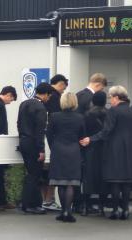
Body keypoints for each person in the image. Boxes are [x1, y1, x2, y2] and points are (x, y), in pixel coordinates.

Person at [81, 86, 132, 220]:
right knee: (126, 181)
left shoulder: (113, 111)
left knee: (115, 180)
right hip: (131, 148)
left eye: (111, 98)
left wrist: (91, 138)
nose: (110, 101)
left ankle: (114, 210)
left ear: (117, 97)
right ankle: (125, 210)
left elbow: (107, 131)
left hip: (115, 148)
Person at [47, 92, 86, 223]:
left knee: (60, 182)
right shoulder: (80, 117)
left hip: (58, 149)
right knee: (70, 182)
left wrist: (53, 147)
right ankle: (67, 211)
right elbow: (82, 135)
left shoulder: (54, 116)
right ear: (75, 102)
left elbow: (49, 134)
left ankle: (63, 211)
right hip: (74, 150)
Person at [17, 82, 53, 214]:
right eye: (49, 96)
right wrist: (41, 150)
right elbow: (40, 131)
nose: (48, 99)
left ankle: (27, 202)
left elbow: (19, 124)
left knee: (30, 173)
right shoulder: (41, 108)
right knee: (35, 174)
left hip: (23, 141)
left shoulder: (24, 104)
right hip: (33, 143)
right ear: (45, 94)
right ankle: (30, 204)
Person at [74, 73, 107, 213]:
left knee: (82, 175)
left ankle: (80, 204)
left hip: (81, 142)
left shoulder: (78, 94)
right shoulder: (89, 98)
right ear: (98, 84)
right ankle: (85, 205)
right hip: (91, 144)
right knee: (92, 175)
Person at [43, 74, 68, 211]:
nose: (64, 90)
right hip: (51, 141)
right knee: (52, 171)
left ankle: (45, 200)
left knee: (43, 172)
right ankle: (49, 200)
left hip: (42, 138)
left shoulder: (45, 95)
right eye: (64, 86)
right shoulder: (55, 97)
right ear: (60, 84)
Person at [81, 91, 108, 216]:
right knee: (103, 178)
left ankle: (86, 206)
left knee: (88, 178)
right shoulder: (108, 113)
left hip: (89, 148)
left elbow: (83, 131)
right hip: (104, 149)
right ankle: (102, 207)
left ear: (93, 100)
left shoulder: (87, 115)